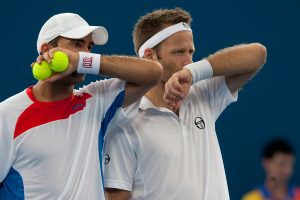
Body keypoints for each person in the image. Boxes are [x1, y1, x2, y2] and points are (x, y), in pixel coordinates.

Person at [103, 7, 267, 200]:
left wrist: (193, 73)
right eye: (179, 52)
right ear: (149, 56)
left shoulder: (201, 93)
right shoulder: (124, 123)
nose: (188, 61)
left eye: (191, 52)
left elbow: (257, 54)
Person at [0, 13, 162, 199]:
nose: (86, 51)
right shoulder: (7, 115)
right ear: (46, 50)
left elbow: (153, 72)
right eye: (77, 44)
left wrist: (82, 61)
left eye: (89, 47)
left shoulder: (96, 101)